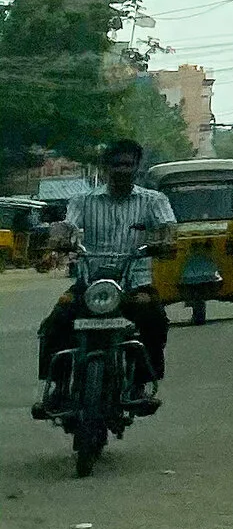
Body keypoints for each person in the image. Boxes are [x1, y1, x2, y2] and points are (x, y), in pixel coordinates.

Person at [36, 139, 176, 407]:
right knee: (57, 321)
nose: (122, 170)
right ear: (106, 167)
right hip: (90, 285)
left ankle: (140, 384)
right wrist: (58, 240)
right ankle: (59, 387)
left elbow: (168, 227)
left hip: (135, 285)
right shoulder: (83, 200)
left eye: (128, 164)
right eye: (117, 164)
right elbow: (67, 225)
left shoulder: (154, 201)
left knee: (154, 319)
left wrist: (166, 241)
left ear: (137, 168)